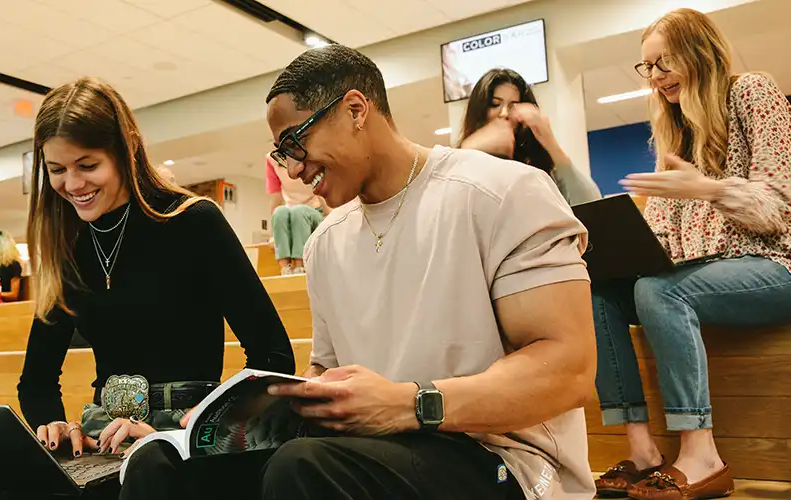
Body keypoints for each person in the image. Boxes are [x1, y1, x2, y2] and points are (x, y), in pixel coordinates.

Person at [122, 44, 598, 500]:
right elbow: (327, 371)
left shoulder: (502, 193)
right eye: (280, 154)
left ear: (355, 110)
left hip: (501, 459)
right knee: (161, 465)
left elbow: (569, 369)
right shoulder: (326, 243)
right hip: (366, 451)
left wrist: (408, 404)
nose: (292, 170)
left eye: (294, 142)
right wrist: (240, 420)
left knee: (305, 467)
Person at [0, 77, 295, 500]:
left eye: (87, 166)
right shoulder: (66, 245)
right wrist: (56, 426)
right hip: (100, 440)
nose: (72, 185)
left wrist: (189, 430)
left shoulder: (194, 222)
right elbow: (36, 382)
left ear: (127, 147)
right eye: (57, 170)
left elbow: (272, 357)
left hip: (184, 440)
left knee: (147, 475)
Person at [591, 9, 791, 500]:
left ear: (698, 52)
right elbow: (663, 236)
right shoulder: (674, 130)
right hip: (700, 276)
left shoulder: (752, 91)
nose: (656, 79)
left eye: (663, 63)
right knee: (599, 291)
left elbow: (778, 209)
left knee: (658, 289)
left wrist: (707, 188)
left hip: (773, 267)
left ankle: (702, 455)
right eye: (648, 69)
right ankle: (641, 450)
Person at [458, 68, 602, 206]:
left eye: (513, 106)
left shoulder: (535, 165)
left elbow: (591, 203)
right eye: (495, 104)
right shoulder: (462, 161)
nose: (504, 113)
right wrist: (469, 151)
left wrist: (550, 142)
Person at [265, 155, 329, 275]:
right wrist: (272, 235)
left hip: (314, 211)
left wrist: (329, 215)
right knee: (279, 212)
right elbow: (275, 197)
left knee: (299, 212)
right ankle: (285, 268)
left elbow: (319, 185)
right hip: (291, 211)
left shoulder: (307, 152)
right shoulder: (272, 159)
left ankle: (300, 265)